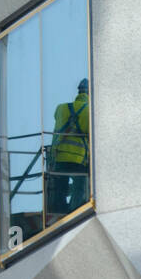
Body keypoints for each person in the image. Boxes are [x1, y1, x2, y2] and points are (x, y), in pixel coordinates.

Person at [46, 77, 90, 220]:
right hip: (78, 158)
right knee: (79, 186)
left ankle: (59, 207)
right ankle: (75, 209)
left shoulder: (61, 108)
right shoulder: (89, 111)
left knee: (60, 186)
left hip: (59, 156)